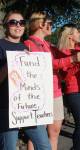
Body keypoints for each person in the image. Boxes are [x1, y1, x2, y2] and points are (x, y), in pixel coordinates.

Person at [24, 12, 80, 150]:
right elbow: (49, 63)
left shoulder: (49, 45)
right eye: (50, 23)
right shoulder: (29, 44)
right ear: (41, 24)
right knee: (36, 135)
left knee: (55, 131)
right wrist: (72, 60)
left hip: (56, 91)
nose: (52, 26)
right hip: (41, 94)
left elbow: (65, 55)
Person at [0, 10, 51, 150]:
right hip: (7, 108)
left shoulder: (25, 47)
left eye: (21, 22)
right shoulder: (0, 46)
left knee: (44, 146)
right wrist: (8, 66)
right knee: (9, 147)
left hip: (28, 106)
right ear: (5, 25)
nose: (18, 26)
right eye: (13, 22)